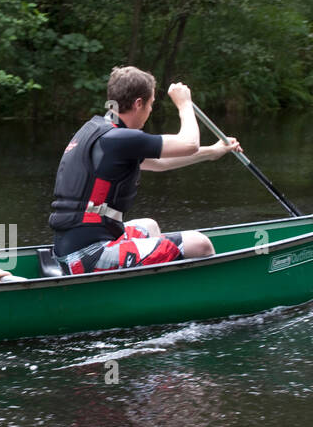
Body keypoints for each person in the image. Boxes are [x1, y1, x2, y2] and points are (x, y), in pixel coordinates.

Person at [49, 66, 242, 274]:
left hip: (71, 248)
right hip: (87, 256)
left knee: (149, 226)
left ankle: (151, 290)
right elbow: (189, 144)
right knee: (199, 244)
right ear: (138, 103)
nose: (150, 111)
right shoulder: (120, 139)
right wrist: (184, 104)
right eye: (151, 105)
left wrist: (212, 152)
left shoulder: (100, 133)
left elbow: (158, 163)